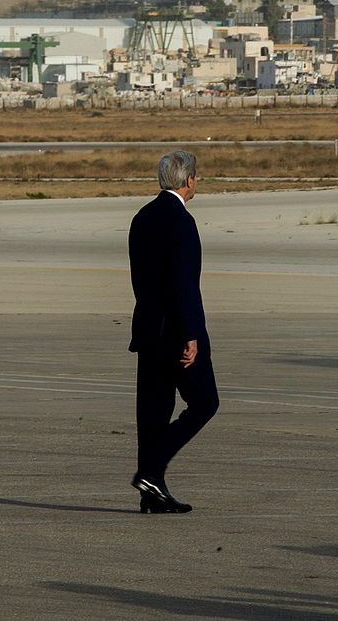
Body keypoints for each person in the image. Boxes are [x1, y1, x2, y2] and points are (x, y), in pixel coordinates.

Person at [127, 150, 219, 514]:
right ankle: (150, 471)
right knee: (205, 403)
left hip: (148, 328)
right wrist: (191, 334)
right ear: (190, 180)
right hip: (176, 333)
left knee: (153, 412)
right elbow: (184, 284)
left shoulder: (142, 217)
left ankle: (152, 493)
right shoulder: (182, 221)